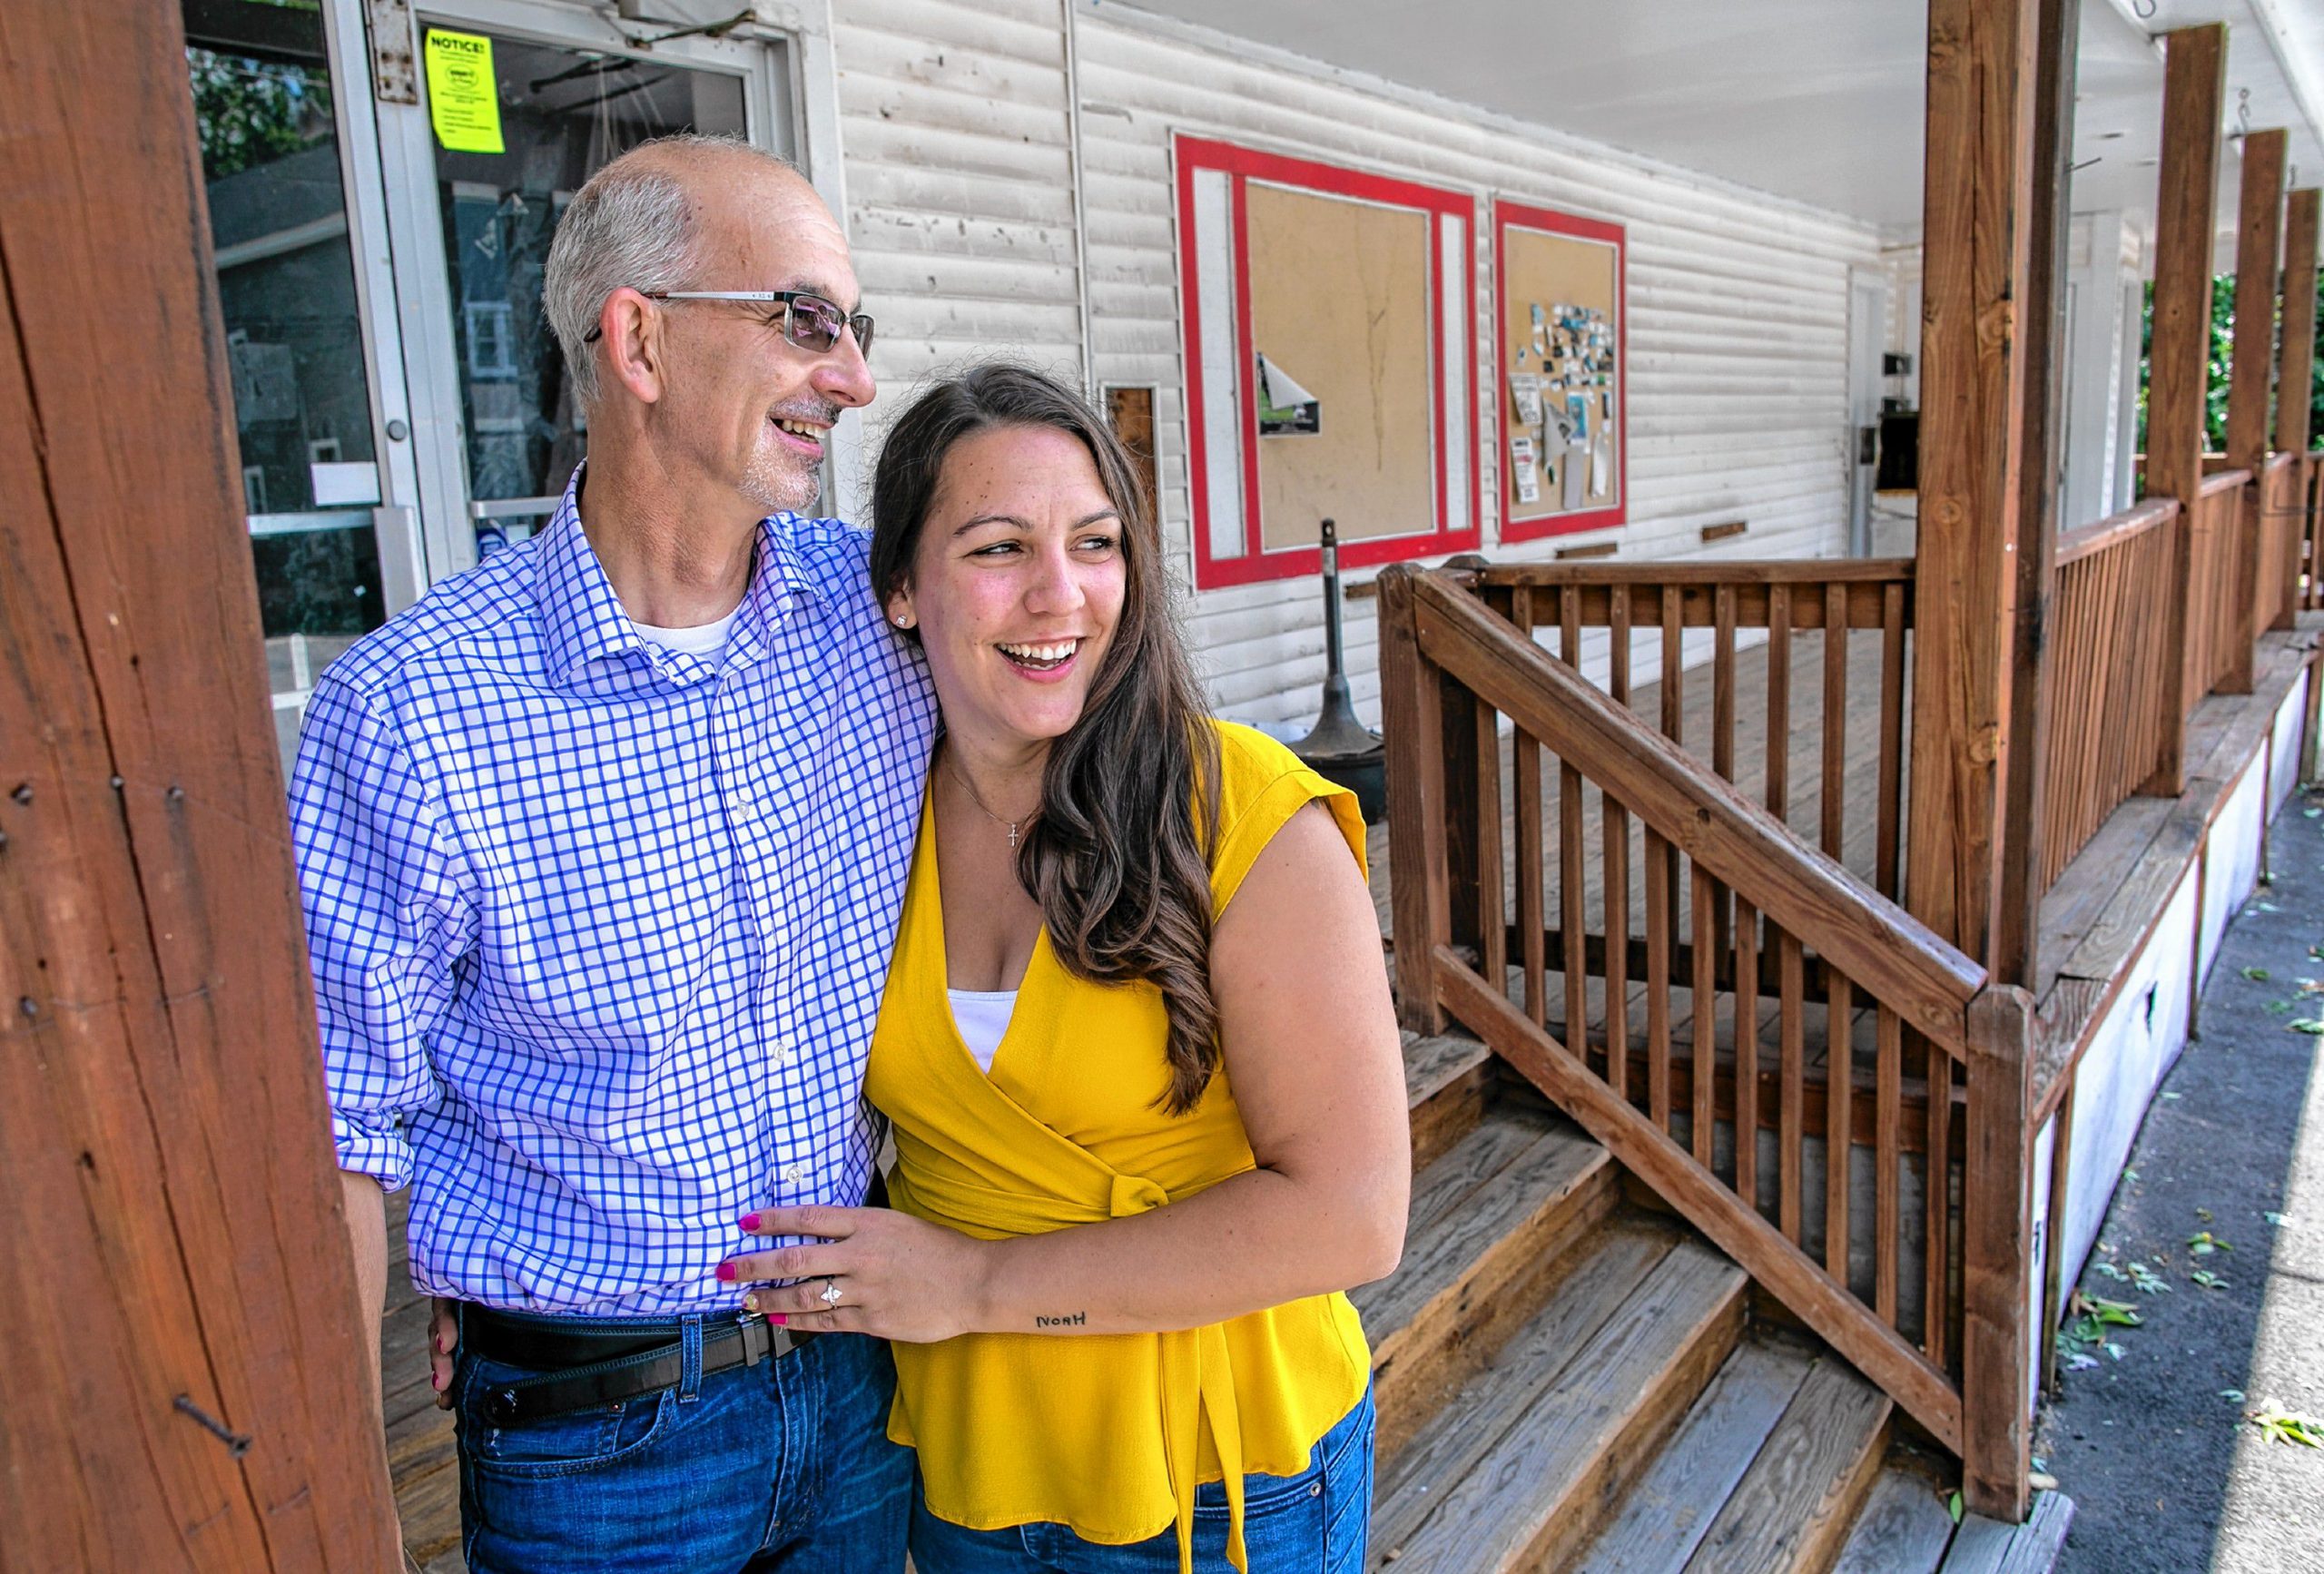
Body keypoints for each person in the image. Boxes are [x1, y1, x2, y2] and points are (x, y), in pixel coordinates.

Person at [291, 134, 932, 1573]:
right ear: (638, 340)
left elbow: (1074, 685)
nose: (853, 378)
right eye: (805, 320)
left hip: (861, 1381)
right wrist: (335, 1503)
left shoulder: (880, 614)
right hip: (596, 1434)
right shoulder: (410, 711)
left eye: (855, 328)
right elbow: (337, 1132)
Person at [716, 365, 1411, 1574]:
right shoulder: (865, 817)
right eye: (997, 548)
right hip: (969, 1457)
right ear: (898, 588)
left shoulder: (1241, 810)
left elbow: (1352, 1216)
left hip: (1216, 1468)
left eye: (1096, 543)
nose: (1061, 596)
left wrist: (978, 1283)